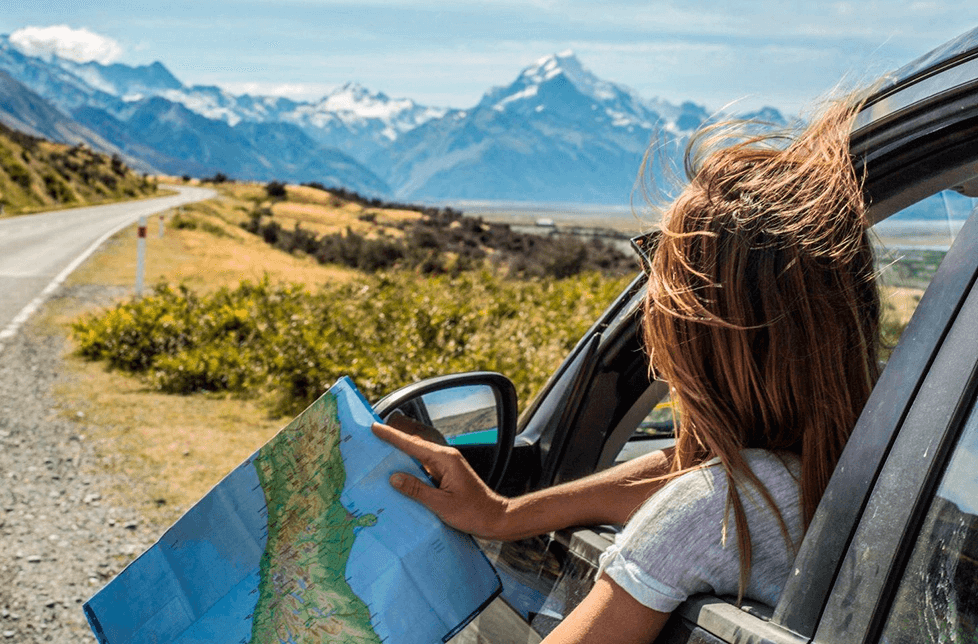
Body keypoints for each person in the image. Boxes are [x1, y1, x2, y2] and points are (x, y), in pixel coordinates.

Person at [372, 96, 882, 644]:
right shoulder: (866, 470)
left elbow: (698, 496)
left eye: (658, 286)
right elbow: (682, 473)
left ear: (695, 337)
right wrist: (503, 515)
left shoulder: (710, 513)